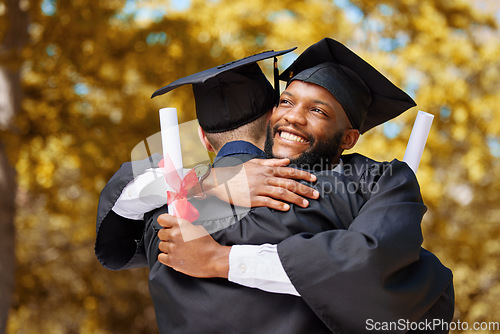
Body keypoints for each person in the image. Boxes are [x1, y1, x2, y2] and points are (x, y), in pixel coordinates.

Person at [96, 39, 454, 333]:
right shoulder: (190, 199)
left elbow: (371, 264)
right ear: (269, 119)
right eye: (286, 101)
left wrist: (220, 259)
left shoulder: (370, 183)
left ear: (349, 137)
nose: (293, 117)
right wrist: (214, 182)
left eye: (318, 111)